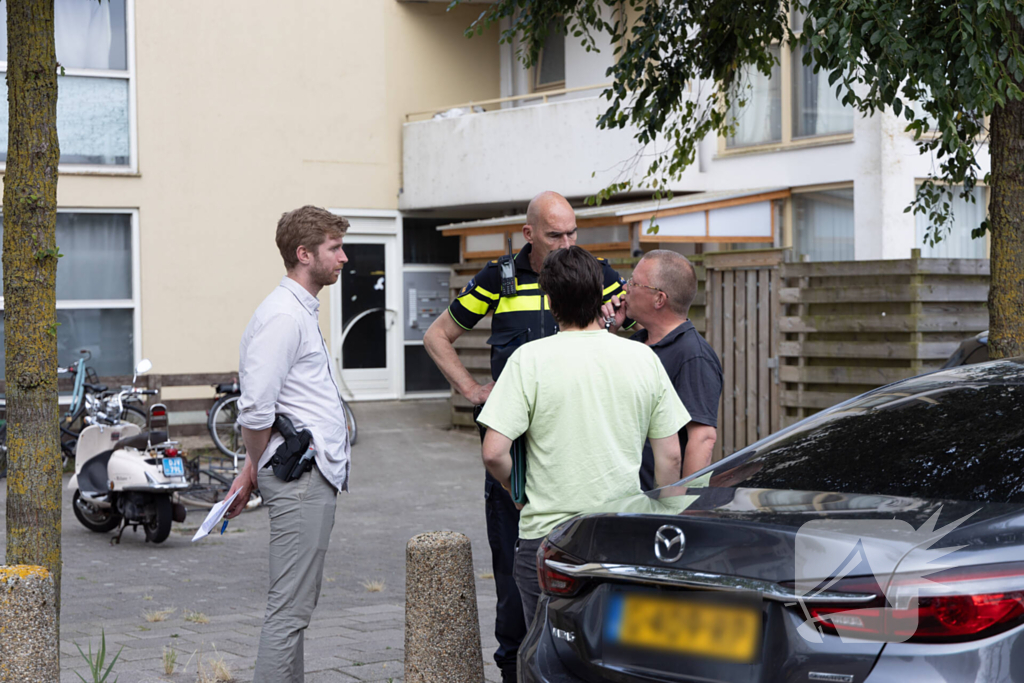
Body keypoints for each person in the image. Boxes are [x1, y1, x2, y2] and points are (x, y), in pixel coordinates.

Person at [422, 191, 631, 682]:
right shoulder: (499, 278)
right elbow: (437, 336)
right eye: (556, 234)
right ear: (529, 234)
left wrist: (617, 326)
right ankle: (514, 669)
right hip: (515, 458)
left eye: (573, 232)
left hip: (581, 451)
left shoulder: (597, 275)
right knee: (514, 585)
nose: (567, 242)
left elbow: (631, 336)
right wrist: (473, 389)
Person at [477, 246, 689, 623]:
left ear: (550, 299)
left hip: (547, 537)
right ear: (600, 294)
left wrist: (518, 492)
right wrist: (661, 516)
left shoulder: (529, 360)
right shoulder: (643, 359)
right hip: (622, 533)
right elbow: (670, 456)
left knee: (546, 654)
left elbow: (494, 452)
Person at [223, 205, 352, 683]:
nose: (343, 258)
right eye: (334, 248)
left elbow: (276, 410)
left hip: (303, 475)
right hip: (301, 483)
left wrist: (248, 470)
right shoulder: (283, 316)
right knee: (289, 612)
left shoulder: (295, 310)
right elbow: (256, 410)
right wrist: (255, 465)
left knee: (294, 610)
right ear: (304, 254)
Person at [604, 249, 722, 489]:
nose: (624, 288)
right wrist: (608, 333)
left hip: (655, 505)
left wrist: (683, 508)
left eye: (634, 282)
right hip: (621, 498)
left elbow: (702, 438)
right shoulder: (637, 343)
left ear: (659, 299)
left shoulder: (692, 355)